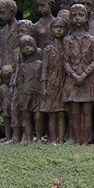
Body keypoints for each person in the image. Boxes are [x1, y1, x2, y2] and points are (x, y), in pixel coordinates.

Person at [62, 3, 94, 145]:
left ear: (86, 18)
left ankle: (85, 138)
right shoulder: (67, 40)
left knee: (87, 111)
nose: (77, 18)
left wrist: (84, 74)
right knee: (74, 111)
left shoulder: (91, 39)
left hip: (87, 80)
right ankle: (75, 138)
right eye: (74, 15)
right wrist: (74, 75)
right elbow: (65, 61)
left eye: (81, 15)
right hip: (72, 80)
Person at [0, 0, 20, 143]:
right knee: (5, 105)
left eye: (2, 13)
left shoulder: (20, 29)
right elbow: (0, 52)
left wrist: (15, 68)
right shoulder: (3, 31)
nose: (0, 17)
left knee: (15, 105)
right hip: (4, 74)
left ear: (12, 11)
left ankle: (17, 135)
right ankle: (8, 135)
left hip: (16, 73)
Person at [40, 15, 68, 144]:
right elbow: (44, 69)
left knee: (61, 113)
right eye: (56, 27)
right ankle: (52, 139)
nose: (58, 30)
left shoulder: (67, 47)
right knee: (51, 113)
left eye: (61, 28)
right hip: (51, 83)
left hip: (64, 82)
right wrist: (43, 87)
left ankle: (61, 139)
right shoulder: (48, 50)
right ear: (51, 29)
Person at [11, 35, 43, 144]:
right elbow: (20, 81)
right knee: (26, 115)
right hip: (25, 94)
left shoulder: (40, 64)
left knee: (38, 116)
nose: (27, 48)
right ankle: (28, 138)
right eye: (23, 46)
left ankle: (39, 138)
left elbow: (43, 78)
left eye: (29, 45)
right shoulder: (22, 66)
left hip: (38, 93)